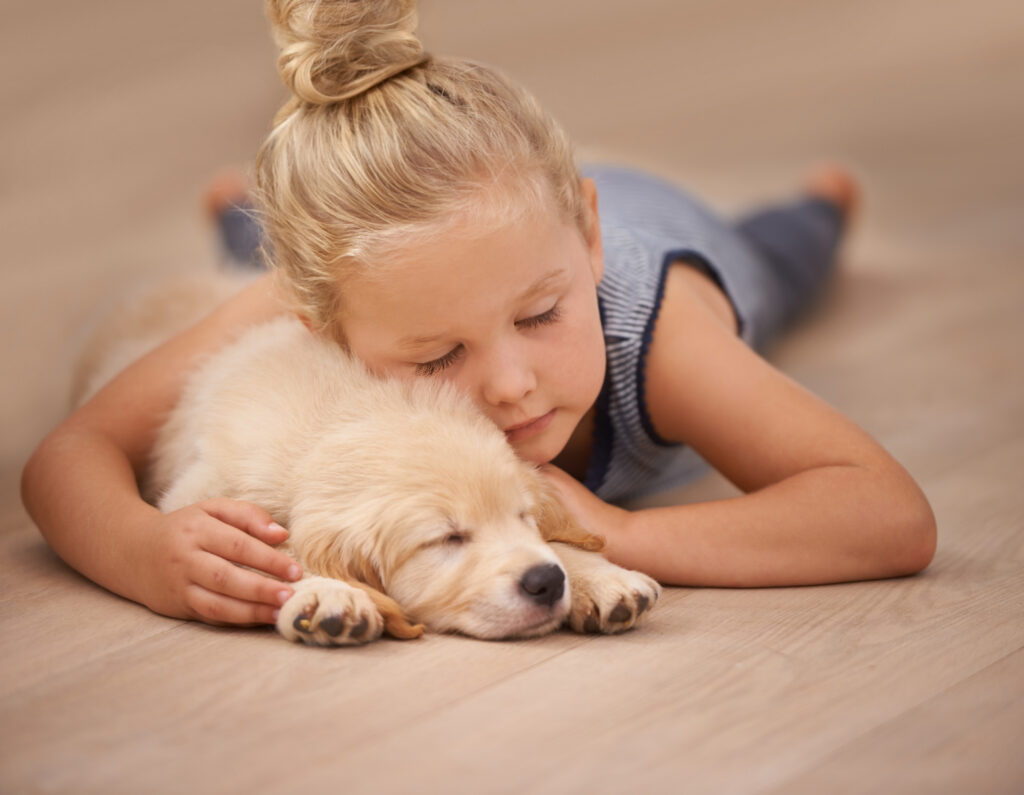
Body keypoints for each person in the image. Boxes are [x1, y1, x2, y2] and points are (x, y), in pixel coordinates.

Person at [21, 0, 935, 628]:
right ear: (323, 329)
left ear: (585, 237)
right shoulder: (302, 303)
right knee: (255, 252)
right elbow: (68, 457)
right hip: (465, 237)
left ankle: (825, 198)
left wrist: (621, 533)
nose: (509, 382)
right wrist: (147, 554)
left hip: (673, 230)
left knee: (782, 257)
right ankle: (240, 212)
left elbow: (887, 515)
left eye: (540, 317)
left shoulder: (651, 336)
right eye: (437, 354)